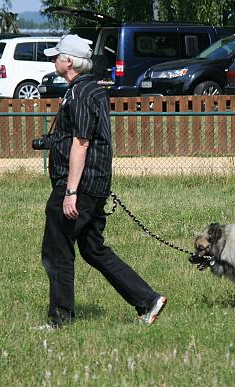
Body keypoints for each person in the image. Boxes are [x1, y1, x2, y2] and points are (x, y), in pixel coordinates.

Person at [40, 34, 167, 327]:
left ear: (68, 61)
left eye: (56, 56)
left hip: (80, 185)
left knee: (57, 249)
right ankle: (148, 300)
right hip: (95, 183)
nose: (54, 60)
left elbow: (82, 143)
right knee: (93, 249)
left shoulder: (82, 93)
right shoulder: (89, 90)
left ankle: (59, 320)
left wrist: (70, 191)